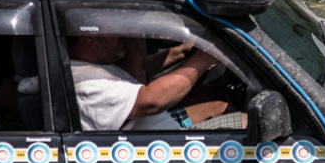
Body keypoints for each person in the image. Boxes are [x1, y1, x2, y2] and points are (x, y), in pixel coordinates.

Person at [67, 33, 234, 131]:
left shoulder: (90, 66)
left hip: (165, 127)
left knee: (221, 105)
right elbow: (152, 101)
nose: (122, 33)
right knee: (246, 122)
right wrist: (206, 58)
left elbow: (140, 71)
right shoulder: (87, 84)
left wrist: (181, 51)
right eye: (114, 29)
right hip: (167, 151)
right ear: (89, 36)